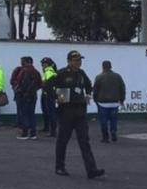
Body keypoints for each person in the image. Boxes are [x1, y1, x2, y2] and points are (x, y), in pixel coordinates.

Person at [53, 50, 105, 179]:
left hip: (80, 111)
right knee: (63, 140)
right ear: (69, 61)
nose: (78, 62)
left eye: (80, 60)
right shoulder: (62, 73)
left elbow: (88, 85)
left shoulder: (81, 73)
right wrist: (58, 97)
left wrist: (88, 94)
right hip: (66, 111)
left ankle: (91, 170)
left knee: (84, 141)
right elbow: (49, 86)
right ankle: (59, 167)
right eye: (76, 60)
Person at [93, 61, 126, 143]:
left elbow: (95, 90)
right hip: (115, 102)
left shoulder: (99, 77)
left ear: (103, 67)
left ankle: (105, 137)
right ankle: (113, 132)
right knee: (113, 119)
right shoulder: (117, 76)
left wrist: (95, 100)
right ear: (111, 66)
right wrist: (122, 99)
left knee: (103, 121)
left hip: (102, 103)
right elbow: (122, 88)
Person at [15, 56, 42, 140]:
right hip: (33, 95)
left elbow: (22, 83)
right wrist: (34, 90)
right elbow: (40, 84)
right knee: (31, 114)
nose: (21, 63)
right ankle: (33, 133)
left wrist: (22, 91)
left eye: (22, 61)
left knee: (24, 114)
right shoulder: (36, 72)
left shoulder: (24, 71)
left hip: (24, 96)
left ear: (27, 62)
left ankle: (25, 133)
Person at [41, 57, 58, 137]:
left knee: (51, 113)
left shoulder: (49, 71)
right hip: (48, 94)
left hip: (49, 95)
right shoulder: (49, 71)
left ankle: (52, 131)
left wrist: (43, 86)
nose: (42, 65)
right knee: (49, 112)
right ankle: (48, 128)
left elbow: (47, 84)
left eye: (44, 64)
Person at [10, 60, 25, 127]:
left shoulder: (18, 69)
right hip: (22, 91)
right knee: (21, 108)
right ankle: (21, 122)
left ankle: (19, 122)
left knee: (19, 108)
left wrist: (15, 87)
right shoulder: (22, 71)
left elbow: (12, 81)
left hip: (17, 91)